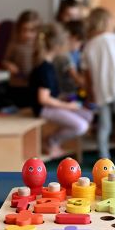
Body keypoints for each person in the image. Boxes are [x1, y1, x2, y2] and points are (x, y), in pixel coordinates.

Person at [82, 8, 115, 165]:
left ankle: (104, 159)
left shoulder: (88, 47)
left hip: (101, 92)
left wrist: (90, 94)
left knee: (104, 125)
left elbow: (88, 77)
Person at [30, 23, 93, 158]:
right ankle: (50, 141)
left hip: (51, 104)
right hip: (43, 109)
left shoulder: (49, 64)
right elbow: (43, 99)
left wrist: (64, 100)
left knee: (88, 115)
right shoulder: (44, 68)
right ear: (56, 46)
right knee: (81, 126)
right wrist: (67, 105)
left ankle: (53, 141)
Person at [3, 10, 41, 107]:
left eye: (32, 31)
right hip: (18, 85)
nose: (28, 34)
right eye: (24, 30)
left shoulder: (40, 45)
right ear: (19, 29)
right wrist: (9, 65)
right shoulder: (14, 44)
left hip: (34, 85)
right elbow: (5, 60)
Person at [53, 20, 86, 101]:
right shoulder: (65, 56)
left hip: (69, 93)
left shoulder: (75, 53)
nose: (80, 45)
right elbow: (77, 79)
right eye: (79, 41)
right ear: (72, 37)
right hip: (66, 95)